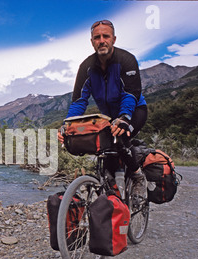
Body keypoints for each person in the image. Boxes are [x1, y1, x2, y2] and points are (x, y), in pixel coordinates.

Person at [58, 19, 148, 197]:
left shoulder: (126, 60)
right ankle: (114, 191)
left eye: (105, 36)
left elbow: (131, 93)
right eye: (97, 37)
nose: (101, 40)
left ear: (113, 39)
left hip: (134, 110)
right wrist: (67, 125)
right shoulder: (87, 67)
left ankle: (138, 176)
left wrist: (124, 118)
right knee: (104, 151)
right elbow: (79, 101)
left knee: (121, 136)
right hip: (107, 117)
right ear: (92, 42)